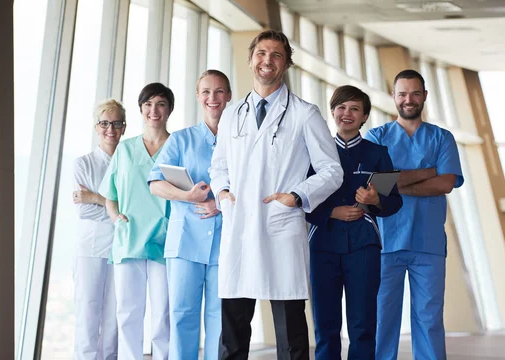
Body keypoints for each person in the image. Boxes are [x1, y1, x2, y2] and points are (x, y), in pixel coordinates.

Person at [209, 30, 343, 360]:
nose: (267, 60)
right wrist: (222, 192)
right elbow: (218, 166)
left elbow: (332, 170)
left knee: (290, 331)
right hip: (239, 226)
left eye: (277, 55)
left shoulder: (303, 113)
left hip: (280, 226)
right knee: (233, 332)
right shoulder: (232, 113)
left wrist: (297, 195)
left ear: (286, 64)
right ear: (251, 58)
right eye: (262, 53)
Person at [364, 69, 464, 360]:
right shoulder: (376, 136)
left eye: (415, 93)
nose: (409, 99)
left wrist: (395, 181)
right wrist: (429, 171)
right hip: (385, 243)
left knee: (429, 320)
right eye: (403, 94)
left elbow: (446, 183)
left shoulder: (442, 138)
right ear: (394, 97)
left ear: (425, 96)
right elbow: (376, 185)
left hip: (428, 243)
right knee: (382, 320)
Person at [307, 85, 402, 360]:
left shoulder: (377, 153)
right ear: (333, 112)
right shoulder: (314, 152)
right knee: (325, 325)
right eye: (341, 107)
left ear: (364, 117)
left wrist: (374, 200)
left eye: (354, 109)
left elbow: (394, 203)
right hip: (323, 245)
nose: (346, 113)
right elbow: (301, 199)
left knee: (362, 324)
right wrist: (331, 213)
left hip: (364, 246)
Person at [148, 70, 232, 360]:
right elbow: (155, 183)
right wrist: (187, 196)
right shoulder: (180, 140)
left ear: (229, 96)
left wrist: (218, 204)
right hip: (185, 243)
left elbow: (253, 186)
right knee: (182, 315)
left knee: (220, 319)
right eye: (206, 92)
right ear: (198, 96)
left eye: (219, 91)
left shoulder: (240, 141)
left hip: (226, 244)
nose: (213, 98)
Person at [98, 83, 173, 360]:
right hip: (128, 238)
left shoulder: (177, 146)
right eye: (149, 104)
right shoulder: (125, 149)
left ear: (169, 109)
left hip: (164, 240)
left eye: (161, 104)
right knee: (128, 312)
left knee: (163, 312)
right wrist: (115, 216)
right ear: (141, 109)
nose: (154, 110)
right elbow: (110, 195)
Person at [73, 99, 126, 360]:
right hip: (91, 248)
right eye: (105, 123)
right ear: (97, 126)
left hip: (121, 246)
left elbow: (134, 205)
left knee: (115, 315)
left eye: (116, 123)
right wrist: (115, 208)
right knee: (88, 311)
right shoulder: (83, 164)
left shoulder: (128, 163)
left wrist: (96, 198)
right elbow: (83, 210)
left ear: (124, 128)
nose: (110, 129)